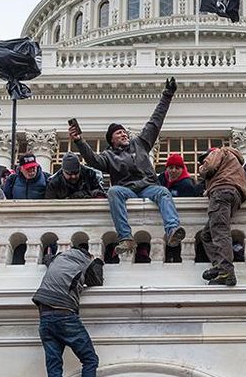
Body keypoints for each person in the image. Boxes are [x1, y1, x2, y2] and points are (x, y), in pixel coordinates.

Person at [71, 78, 184, 258]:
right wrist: (79, 141)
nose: (123, 134)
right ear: (112, 139)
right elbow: (92, 160)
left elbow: (155, 121)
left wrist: (167, 95)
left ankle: (172, 230)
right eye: (118, 133)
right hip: (127, 190)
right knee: (114, 191)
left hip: (148, 186)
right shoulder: (108, 156)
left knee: (163, 192)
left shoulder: (140, 143)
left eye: (124, 131)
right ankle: (125, 237)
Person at [31, 246, 112, 377]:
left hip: (44, 317)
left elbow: (47, 259)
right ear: (87, 254)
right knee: (90, 359)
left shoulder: (58, 259)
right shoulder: (85, 260)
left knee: (54, 368)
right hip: (64, 315)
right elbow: (96, 280)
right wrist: (97, 262)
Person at [195, 145, 246, 286]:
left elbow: (210, 168)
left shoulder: (219, 152)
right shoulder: (234, 161)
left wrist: (202, 170)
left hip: (221, 193)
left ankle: (226, 271)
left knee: (219, 231)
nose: (203, 162)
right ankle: (219, 266)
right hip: (234, 195)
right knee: (206, 234)